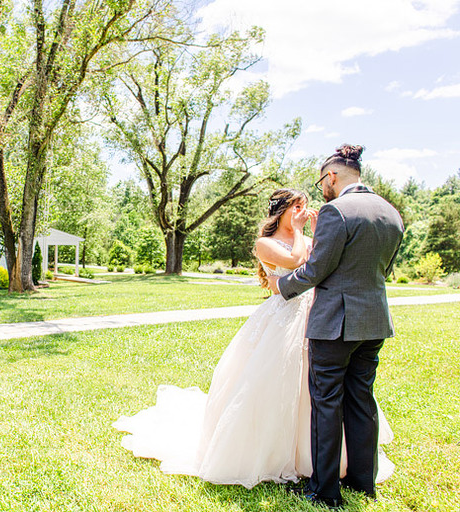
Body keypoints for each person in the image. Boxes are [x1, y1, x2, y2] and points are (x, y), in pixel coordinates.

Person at [113, 187, 395, 491]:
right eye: (296, 206)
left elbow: (323, 270)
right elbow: (294, 261)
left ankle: (318, 458)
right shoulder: (266, 243)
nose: (303, 211)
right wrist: (302, 233)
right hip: (282, 318)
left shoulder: (311, 240)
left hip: (316, 317)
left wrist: (312, 237)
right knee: (276, 383)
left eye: (305, 206)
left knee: (315, 390)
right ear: (281, 211)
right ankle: (274, 454)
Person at [268, 144, 404, 508]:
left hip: (336, 324)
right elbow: (383, 269)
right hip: (374, 322)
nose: (323, 189)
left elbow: (315, 270)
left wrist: (281, 285)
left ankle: (324, 490)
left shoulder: (335, 211)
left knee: (326, 403)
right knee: (362, 400)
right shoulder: (391, 212)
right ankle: (363, 481)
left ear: (332, 176)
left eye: (322, 181)